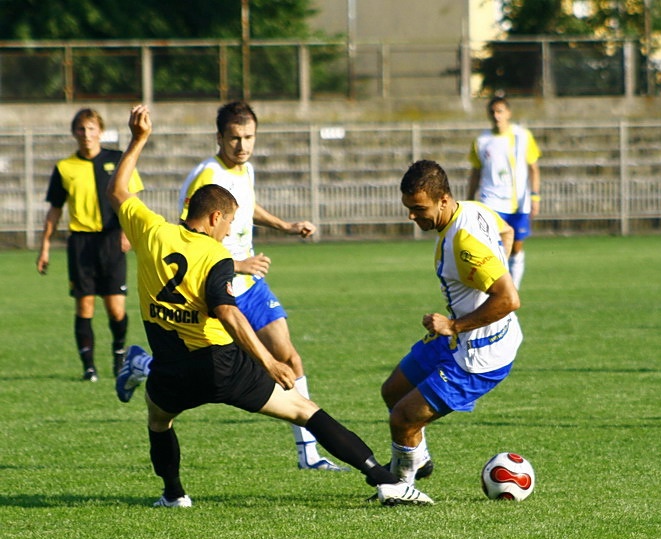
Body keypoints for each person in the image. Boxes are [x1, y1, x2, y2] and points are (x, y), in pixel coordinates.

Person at [108, 105, 431, 508]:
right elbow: (227, 312)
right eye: (227, 224)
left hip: (171, 368)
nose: (229, 232)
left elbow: (119, 190)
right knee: (303, 409)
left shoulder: (151, 231)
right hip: (220, 366)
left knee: (158, 420)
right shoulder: (216, 256)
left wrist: (138, 139)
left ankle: (174, 494)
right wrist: (267, 362)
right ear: (213, 218)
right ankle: (387, 482)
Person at [118, 101, 340, 472]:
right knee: (204, 363)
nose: (242, 146)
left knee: (289, 357)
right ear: (219, 137)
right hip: (214, 288)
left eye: (249, 137)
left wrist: (284, 226)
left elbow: (247, 206)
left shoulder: (245, 169)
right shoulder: (206, 176)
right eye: (235, 138)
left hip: (249, 285)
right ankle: (144, 363)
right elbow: (187, 239)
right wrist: (237, 263)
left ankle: (309, 455)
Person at [379, 159, 522, 490]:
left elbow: (509, 299)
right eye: (409, 208)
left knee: (402, 418)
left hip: (479, 357)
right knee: (393, 391)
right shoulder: (473, 208)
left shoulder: (464, 243)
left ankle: (400, 488)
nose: (412, 216)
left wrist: (455, 324)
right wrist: (494, 269)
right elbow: (506, 231)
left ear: (443, 200)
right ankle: (419, 459)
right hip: (458, 340)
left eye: (418, 209)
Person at [36, 108, 143, 382]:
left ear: (101, 131)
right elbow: (55, 210)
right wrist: (45, 246)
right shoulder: (65, 167)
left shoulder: (117, 160)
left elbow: (133, 198)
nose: (86, 135)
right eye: (81, 130)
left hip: (112, 239)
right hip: (81, 244)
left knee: (116, 308)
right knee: (84, 307)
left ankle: (119, 354)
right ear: (74, 133)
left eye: (91, 129)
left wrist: (129, 231)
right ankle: (89, 367)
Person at [466, 95, 541, 289]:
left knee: (516, 247)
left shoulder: (522, 136)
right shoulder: (482, 141)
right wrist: (469, 200)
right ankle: (498, 290)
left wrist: (535, 196)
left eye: (500, 111)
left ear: (508, 113)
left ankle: (512, 290)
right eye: (492, 112)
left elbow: (533, 168)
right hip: (491, 201)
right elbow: (475, 172)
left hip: (518, 201)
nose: (496, 115)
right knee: (494, 247)